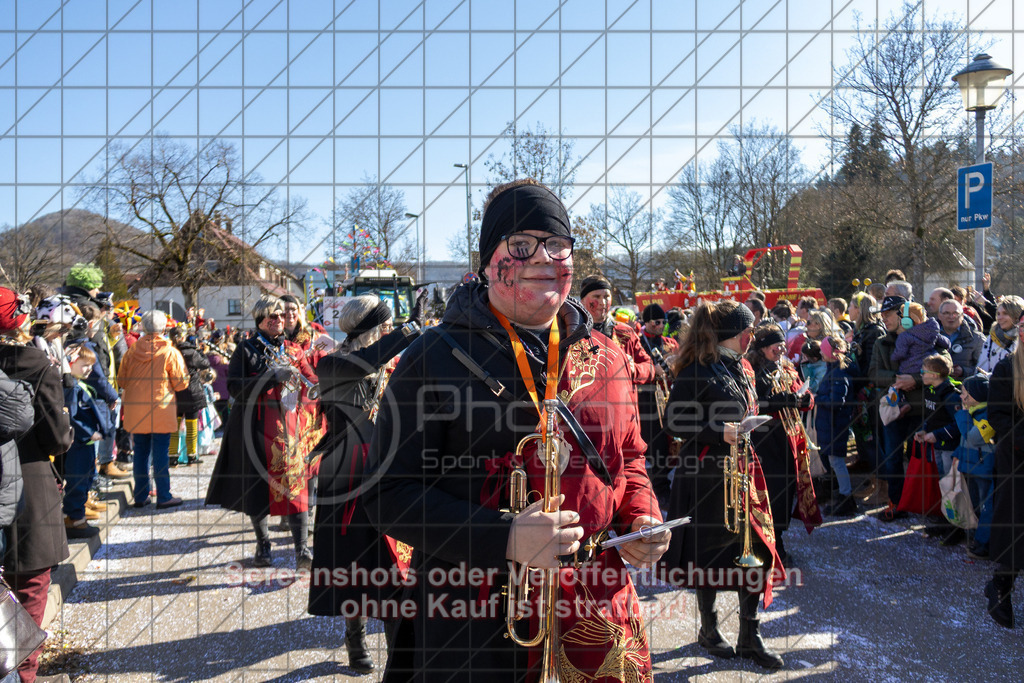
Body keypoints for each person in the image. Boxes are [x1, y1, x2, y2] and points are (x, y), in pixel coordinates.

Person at [363, 178, 668, 681]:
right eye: (521, 246)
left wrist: (642, 516)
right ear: (488, 263)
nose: (544, 257)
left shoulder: (609, 356)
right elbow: (387, 493)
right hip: (475, 618)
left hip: (596, 610)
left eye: (557, 245)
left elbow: (629, 458)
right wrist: (503, 538)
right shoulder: (433, 358)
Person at [308, 291, 427, 673]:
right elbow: (364, 363)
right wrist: (408, 329)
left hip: (386, 465)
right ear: (369, 326)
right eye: (384, 323)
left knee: (394, 562)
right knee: (352, 559)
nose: (389, 329)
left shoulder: (384, 362)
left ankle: (398, 656)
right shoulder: (332, 365)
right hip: (346, 471)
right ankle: (354, 638)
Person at [663, 299, 783, 670]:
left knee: (756, 549)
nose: (752, 335)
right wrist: (719, 433)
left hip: (741, 472)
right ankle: (709, 629)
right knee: (709, 553)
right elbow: (674, 422)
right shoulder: (698, 369)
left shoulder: (741, 366)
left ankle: (750, 635)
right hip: (706, 477)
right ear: (733, 334)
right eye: (748, 329)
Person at [205, 295, 325, 569]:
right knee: (257, 489)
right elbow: (234, 388)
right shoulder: (246, 349)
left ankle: (302, 550)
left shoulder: (293, 349)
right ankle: (264, 546)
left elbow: (312, 378)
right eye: (273, 317)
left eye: (282, 316)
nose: (280, 321)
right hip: (254, 427)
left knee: (297, 489)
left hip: (289, 428)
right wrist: (270, 377)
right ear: (260, 320)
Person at [0, 286, 73, 683]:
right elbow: (58, 438)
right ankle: (21, 675)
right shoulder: (38, 365)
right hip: (29, 485)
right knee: (28, 588)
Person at [747, 325, 818, 563]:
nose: (780, 350)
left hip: (788, 438)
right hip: (764, 440)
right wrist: (783, 401)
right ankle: (766, 544)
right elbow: (753, 405)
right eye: (773, 346)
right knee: (769, 491)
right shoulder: (751, 370)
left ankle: (777, 538)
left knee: (786, 491)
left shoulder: (787, 367)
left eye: (781, 345)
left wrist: (806, 400)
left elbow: (802, 394)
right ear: (762, 348)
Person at [118, 310, 189, 509]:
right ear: (164, 328)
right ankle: (164, 495)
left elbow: (122, 380)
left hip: (136, 409)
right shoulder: (169, 351)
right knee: (160, 452)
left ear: (143, 327)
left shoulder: (132, 351)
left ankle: (141, 495)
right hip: (160, 408)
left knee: (140, 452)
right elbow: (181, 383)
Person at [984, 308, 1024, 629]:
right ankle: (1000, 587)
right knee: (1015, 525)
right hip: (1017, 458)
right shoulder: (1007, 367)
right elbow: (997, 416)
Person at [60, 343, 114, 538]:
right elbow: (72, 417)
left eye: (91, 365)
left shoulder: (79, 385)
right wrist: (89, 432)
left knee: (87, 476)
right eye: (84, 365)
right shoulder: (72, 388)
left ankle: (77, 515)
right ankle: (75, 519)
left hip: (86, 442)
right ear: (71, 363)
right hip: (79, 442)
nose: (89, 369)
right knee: (78, 480)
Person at [816, 335, 858, 516]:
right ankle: (842, 494)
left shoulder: (839, 374)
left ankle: (846, 497)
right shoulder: (833, 370)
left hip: (835, 425)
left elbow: (836, 402)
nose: (820, 353)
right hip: (830, 425)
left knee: (837, 462)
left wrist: (816, 398)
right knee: (833, 460)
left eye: (822, 350)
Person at [954, 375, 995, 559]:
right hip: (969, 467)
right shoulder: (972, 412)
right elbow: (963, 441)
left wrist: (963, 413)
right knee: (976, 506)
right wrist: (957, 455)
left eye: (964, 393)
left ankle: (984, 543)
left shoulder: (988, 416)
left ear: (975, 396)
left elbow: (972, 437)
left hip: (983, 469)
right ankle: (976, 537)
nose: (961, 397)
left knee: (987, 508)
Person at [167, 325, 211, 466]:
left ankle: (172, 456)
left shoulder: (170, 351)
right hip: (192, 391)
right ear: (184, 336)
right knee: (192, 425)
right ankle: (191, 456)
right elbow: (205, 364)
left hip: (175, 392)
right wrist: (202, 352)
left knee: (174, 426)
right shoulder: (192, 352)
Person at [889, 302, 950, 375]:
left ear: (907, 321)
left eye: (902, 318)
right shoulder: (933, 331)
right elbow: (946, 344)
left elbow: (900, 354)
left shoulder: (904, 336)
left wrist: (892, 357)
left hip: (909, 369)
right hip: (927, 367)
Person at [937, 300, 984, 380]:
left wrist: (963, 371)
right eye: (946, 313)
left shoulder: (977, 338)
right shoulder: (931, 336)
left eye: (955, 313)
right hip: (935, 388)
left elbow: (984, 369)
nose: (951, 317)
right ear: (939, 316)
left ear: (962, 316)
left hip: (964, 388)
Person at [977, 295, 1024, 374]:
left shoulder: (1021, 339)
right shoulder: (992, 337)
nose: (1000, 317)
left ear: (1017, 316)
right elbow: (981, 366)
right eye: (998, 314)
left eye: (1005, 313)